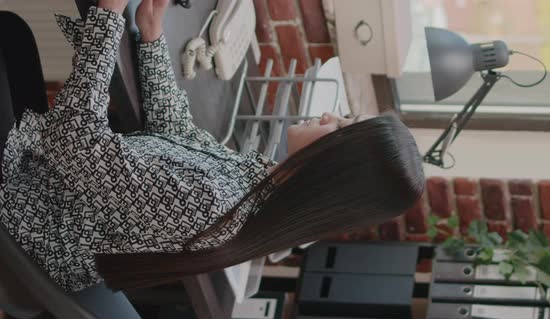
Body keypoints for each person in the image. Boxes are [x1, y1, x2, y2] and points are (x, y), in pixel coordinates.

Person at [0, 0, 425, 293]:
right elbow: (178, 134)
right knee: (13, 37)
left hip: (25, 203)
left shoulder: (217, 203)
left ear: (333, 168)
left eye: (342, 126)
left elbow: (72, 139)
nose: (330, 115)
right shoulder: (256, 186)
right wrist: (151, 38)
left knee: (9, 38)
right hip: (51, 181)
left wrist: (109, 17)